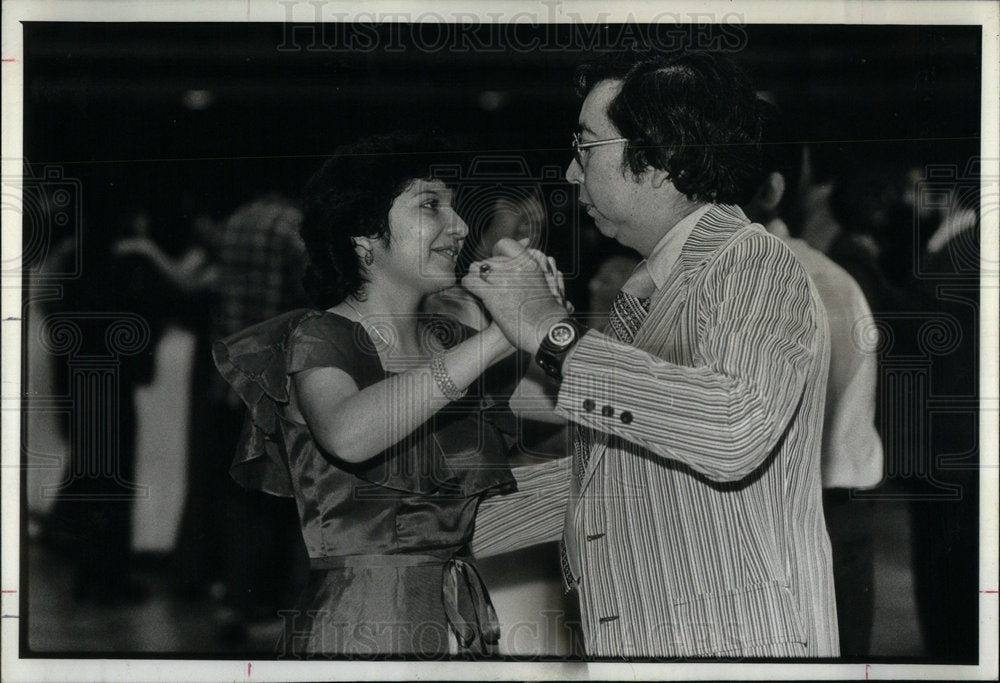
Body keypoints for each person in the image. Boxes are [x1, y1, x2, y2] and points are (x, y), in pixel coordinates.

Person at [468, 51, 839, 658]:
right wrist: (442, 520)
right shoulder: (654, 287)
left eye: (585, 149)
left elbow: (730, 429)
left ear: (658, 159)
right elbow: (626, 480)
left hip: (732, 645)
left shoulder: (749, 260)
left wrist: (551, 332)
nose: (569, 172)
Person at [212, 132, 567, 657]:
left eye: (454, 207)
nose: (461, 226)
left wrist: (552, 329)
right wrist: (502, 335)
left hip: (464, 622)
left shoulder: (456, 344)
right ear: (364, 236)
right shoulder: (318, 337)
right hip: (361, 630)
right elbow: (349, 435)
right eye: (431, 206)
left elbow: (583, 403)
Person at [742, 101, 883, 657]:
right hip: (820, 522)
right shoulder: (815, 274)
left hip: (806, 528)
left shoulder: (787, 281)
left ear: (770, 191)